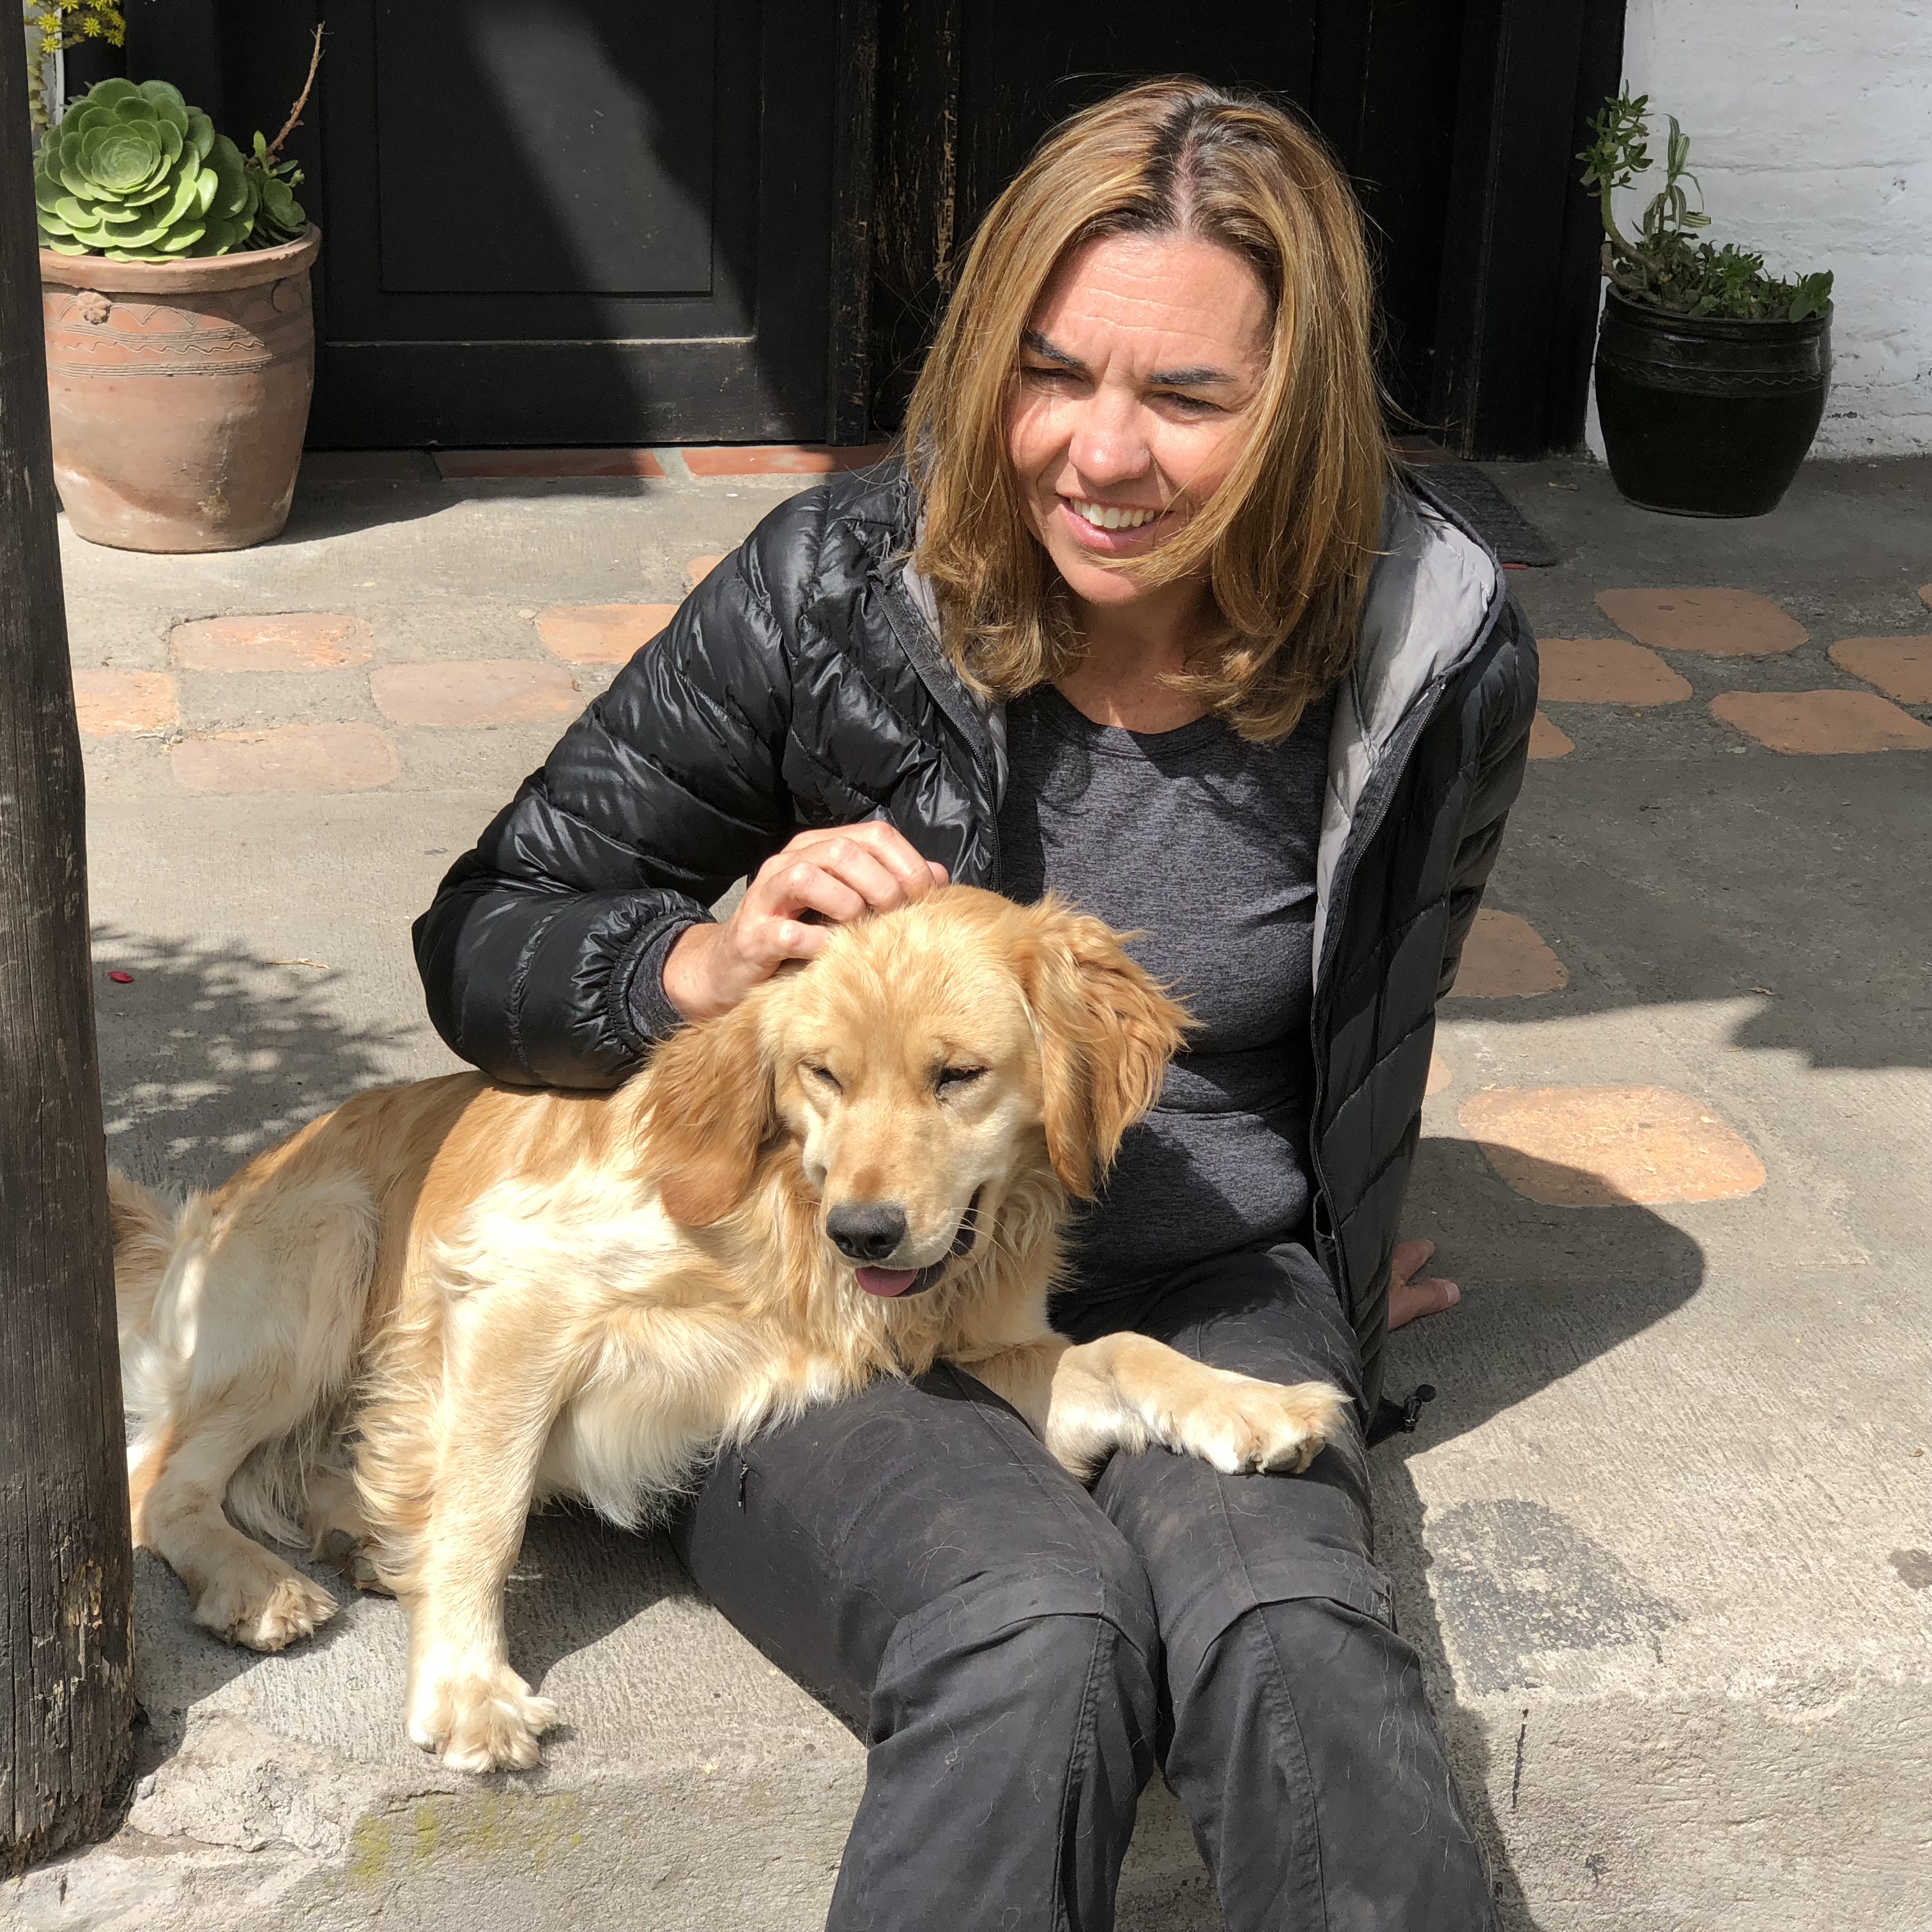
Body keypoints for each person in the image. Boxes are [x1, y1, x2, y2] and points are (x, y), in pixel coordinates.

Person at [415, 77, 1535, 1932]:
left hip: (1201, 1271)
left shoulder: (1428, 644)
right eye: (1052, 372)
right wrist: (695, 965)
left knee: (1294, 1641)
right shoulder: (837, 584)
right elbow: (486, 932)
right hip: (839, 1296)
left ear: (1301, 406)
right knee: (1032, 1639)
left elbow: (1381, 1000)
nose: (1103, 453)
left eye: (1190, 397)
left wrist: (1353, 1230)